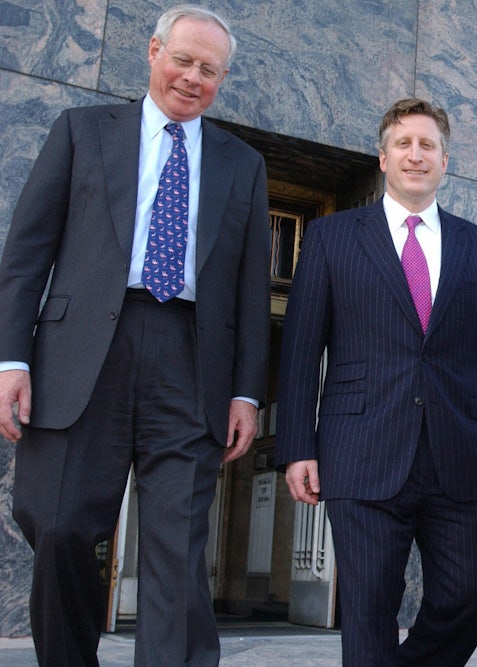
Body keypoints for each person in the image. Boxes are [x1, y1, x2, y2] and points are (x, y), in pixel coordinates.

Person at [0, 5, 271, 665]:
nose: (192, 77)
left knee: (176, 550)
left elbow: (250, 291)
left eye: (209, 70)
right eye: (182, 59)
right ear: (153, 51)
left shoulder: (243, 164)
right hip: (80, 354)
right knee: (60, 526)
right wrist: (10, 358)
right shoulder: (82, 131)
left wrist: (246, 392)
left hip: (190, 358)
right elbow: (26, 254)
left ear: (222, 79)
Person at [276, 98, 477, 666]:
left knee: (469, 595)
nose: (415, 154)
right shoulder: (332, 238)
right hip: (361, 447)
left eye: (428, 145)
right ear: (382, 158)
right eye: (403, 144)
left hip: (466, 453)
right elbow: (302, 349)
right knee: (369, 604)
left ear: (445, 162)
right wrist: (296, 446)